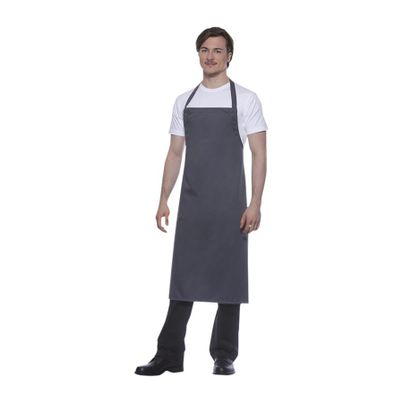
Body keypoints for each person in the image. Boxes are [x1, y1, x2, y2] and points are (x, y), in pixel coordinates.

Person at [135, 26, 267, 376]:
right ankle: (169, 355)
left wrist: (255, 203)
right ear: (198, 55)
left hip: (231, 205)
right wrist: (163, 198)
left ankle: (224, 355)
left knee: (230, 278)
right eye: (205, 50)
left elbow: (259, 153)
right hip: (193, 204)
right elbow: (175, 152)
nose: (211, 56)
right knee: (183, 279)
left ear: (229, 56)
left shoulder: (247, 99)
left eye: (218, 50)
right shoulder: (184, 101)